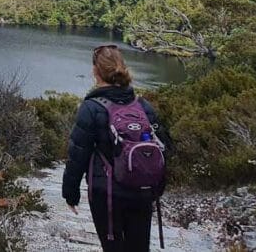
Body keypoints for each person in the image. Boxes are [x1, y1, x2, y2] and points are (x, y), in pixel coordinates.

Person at [62, 44, 173, 251]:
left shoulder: (91, 108)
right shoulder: (143, 105)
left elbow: (78, 154)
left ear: (96, 71)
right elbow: (165, 146)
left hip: (107, 193)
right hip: (142, 190)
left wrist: (70, 193)